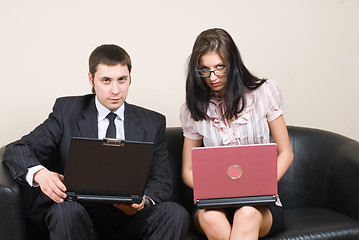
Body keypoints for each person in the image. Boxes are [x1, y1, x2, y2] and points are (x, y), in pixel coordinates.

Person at [3, 44, 189, 240]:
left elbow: (161, 182)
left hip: (130, 220)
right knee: (66, 212)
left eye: (122, 80)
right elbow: (18, 149)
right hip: (80, 217)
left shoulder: (152, 123)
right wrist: (41, 174)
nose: (115, 90)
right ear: (92, 79)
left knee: (175, 214)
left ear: (130, 79)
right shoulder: (67, 112)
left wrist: (141, 203)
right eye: (106, 80)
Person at [180, 28, 293, 239]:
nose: (212, 77)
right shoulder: (192, 109)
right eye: (205, 69)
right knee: (210, 217)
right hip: (214, 204)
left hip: (259, 204)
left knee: (246, 214)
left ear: (233, 63)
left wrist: (262, 185)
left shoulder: (264, 93)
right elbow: (187, 171)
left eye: (220, 67)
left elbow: (286, 153)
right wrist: (217, 187)